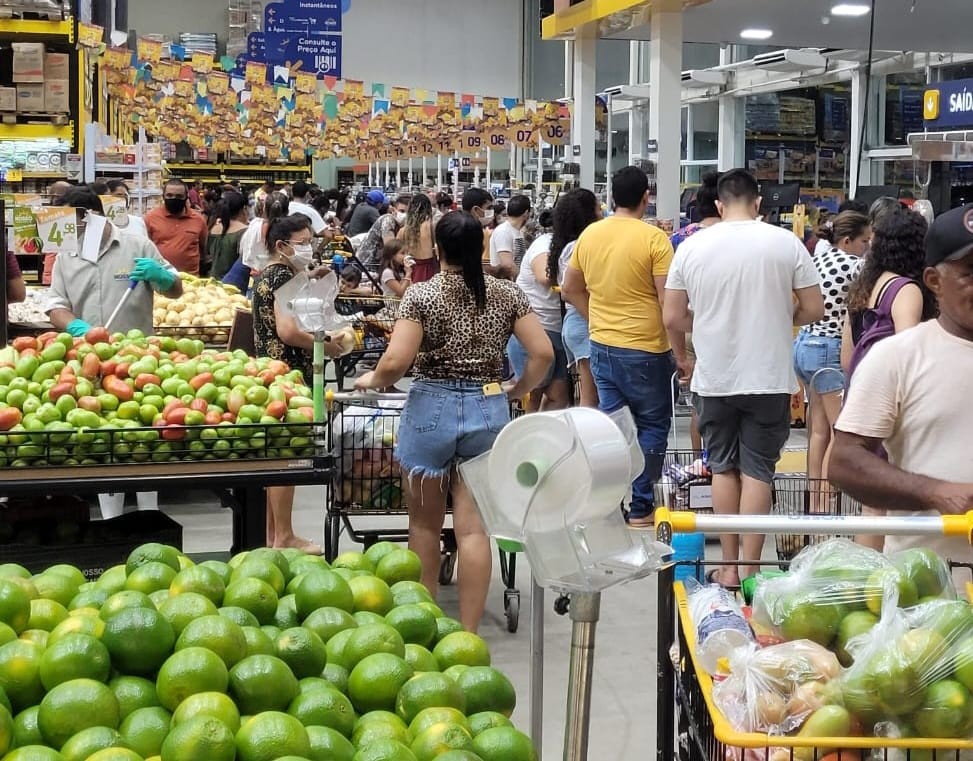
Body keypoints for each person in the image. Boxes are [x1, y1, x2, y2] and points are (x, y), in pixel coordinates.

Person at [354, 212, 553, 632]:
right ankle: (467, 633)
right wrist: (515, 390)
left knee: (424, 526)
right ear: (480, 249)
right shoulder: (506, 294)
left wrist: (372, 380)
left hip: (430, 410)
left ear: (439, 250)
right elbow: (544, 354)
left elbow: (394, 361)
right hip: (489, 409)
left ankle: (426, 628)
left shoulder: (421, 296)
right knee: (474, 531)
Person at [663, 168, 824, 586]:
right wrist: (779, 314)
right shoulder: (785, 242)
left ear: (718, 204)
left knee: (722, 469)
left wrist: (709, 319)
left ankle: (729, 567)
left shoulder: (692, 247)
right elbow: (814, 307)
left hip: (715, 377)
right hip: (768, 377)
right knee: (758, 472)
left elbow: (673, 317)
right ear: (758, 204)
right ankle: (752, 570)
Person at [829, 203, 973, 589]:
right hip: (926, 600)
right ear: (933, 280)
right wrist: (935, 492)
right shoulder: (899, 357)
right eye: (969, 273)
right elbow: (844, 461)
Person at [562, 166, 683, 529]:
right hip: (646, 348)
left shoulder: (590, 235)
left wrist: (595, 316)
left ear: (611, 197)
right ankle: (641, 505)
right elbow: (668, 304)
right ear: (646, 196)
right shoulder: (654, 240)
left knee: (614, 426)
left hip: (602, 346)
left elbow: (570, 289)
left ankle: (608, 500)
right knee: (651, 425)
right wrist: (682, 354)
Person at [839, 206, 935, 551]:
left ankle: (868, 578)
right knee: (884, 500)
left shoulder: (866, 285)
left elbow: (846, 355)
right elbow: (907, 349)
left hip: (862, 390)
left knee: (872, 500)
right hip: (890, 399)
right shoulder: (906, 289)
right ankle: (879, 577)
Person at [252, 214, 343, 554]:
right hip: (288, 378)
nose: (309, 247)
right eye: (302, 242)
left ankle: (274, 535)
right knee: (287, 459)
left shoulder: (273, 274)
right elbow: (288, 331)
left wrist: (306, 276)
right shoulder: (280, 277)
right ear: (281, 245)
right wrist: (326, 343)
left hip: (272, 374)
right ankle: (286, 535)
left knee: (277, 458)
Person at [792, 210, 870, 506]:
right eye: (864, 241)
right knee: (840, 431)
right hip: (828, 348)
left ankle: (815, 502)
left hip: (803, 346)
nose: (867, 247)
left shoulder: (817, 258)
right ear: (848, 240)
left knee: (818, 431)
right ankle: (827, 501)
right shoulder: (855, 266)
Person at [46, 187, 182, 336]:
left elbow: (176, 292)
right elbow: (56, 307)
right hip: (87, 353)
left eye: (72, 225)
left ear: (94, 217)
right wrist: (76, 327)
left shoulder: (140, 247)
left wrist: (164, 278)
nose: (69, 232)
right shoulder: (65, 257)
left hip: (135, 351)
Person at [668, 171, 722, 455]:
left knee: (698, 404)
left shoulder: (679, 239)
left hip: (688, 324)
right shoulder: (734, 238)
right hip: (725, 330)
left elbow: (669, 294)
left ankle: (698, 464)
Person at [508, 204, 569, 412]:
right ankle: (525, 439)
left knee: (559, 396)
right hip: (535, 327)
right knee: (532, 394)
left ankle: (543, 439)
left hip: (556, 328)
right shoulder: (545, 244)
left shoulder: (565, 245)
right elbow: (544, 276)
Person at [549, 188, 601, 408]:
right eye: (598, 209)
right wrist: (596, 321)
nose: (602, 214)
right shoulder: (577, 247)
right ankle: (585, 441)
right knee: (590, 398)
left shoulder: (567, 245)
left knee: (590, 395)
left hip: (577, 323)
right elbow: (572, 290)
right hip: (583, 322)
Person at [144, 179, 209, 275]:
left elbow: (203, 249)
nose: (174, 199)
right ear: (163, 196)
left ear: (186, 197)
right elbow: (145, 250)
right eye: (169, 195)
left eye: (179, 196)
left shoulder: (198, 220)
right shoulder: (150, 218)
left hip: (190, 280)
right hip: (160, 278)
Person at [208, 190, 250, 290]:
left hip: (212, 282)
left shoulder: (213, 227)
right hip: (234, 285)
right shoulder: (244, 231)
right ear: (243, 209)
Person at [357, 195, 409, 270]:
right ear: (394, 210)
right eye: (402, 211)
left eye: (408, 212)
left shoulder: (402, 225)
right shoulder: (388, 220)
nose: (405, 215)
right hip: (367, 266)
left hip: (379, 265)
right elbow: (391, 248)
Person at [397, 194, 438, 284]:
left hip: (411, 271)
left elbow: (395, 253)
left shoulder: (403, 231)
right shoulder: (432, 227)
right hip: (431, 270)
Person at [488, 195, 530, 279]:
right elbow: (508, 265)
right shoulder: (503, 231)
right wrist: (525, 281)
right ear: (526, 213)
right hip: (505, 285)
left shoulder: (517, 231)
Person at [461, 188, 495, 270]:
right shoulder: (483, 234)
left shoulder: (454, 229)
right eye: (489, 208)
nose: (492, 211)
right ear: (475, 210)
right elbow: (486, 267)